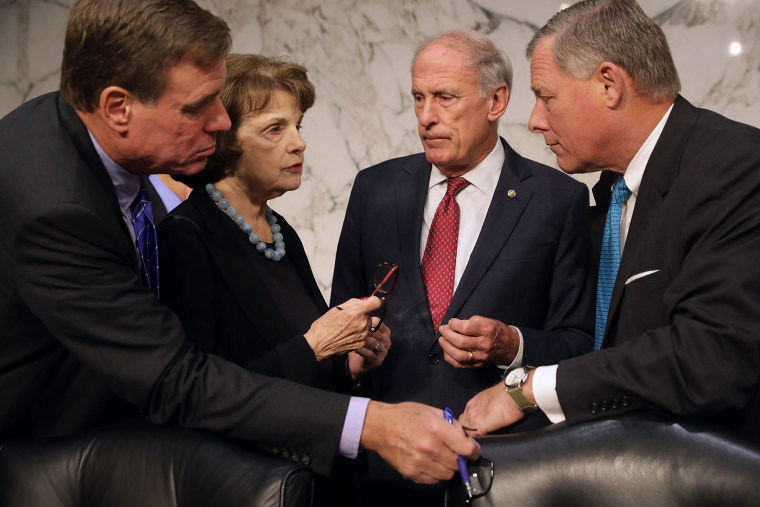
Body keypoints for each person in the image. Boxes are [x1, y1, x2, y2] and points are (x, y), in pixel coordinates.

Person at [0, 0, 479, 489]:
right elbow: (176, 381)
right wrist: (372, 424)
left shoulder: (82, 131)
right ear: (117, 107)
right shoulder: (58, 208)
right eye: (196, 106)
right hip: (43, 457)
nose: (222, 123)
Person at [461, 0, 760, 447]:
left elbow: (709, 359)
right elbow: (597, 348)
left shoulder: (736, 167)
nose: (535, 121)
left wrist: (528, 392)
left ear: (608, 85)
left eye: (546, 95)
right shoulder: (608, 197)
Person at [331, 29, 594, 505]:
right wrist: (352, 362)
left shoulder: (560, 201)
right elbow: (337, 325)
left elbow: (581, 341)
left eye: (444, 97)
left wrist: (512, 344)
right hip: (383, 471)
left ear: (496, 101)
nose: (426, 117)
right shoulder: (374, 189)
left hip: (504, 468)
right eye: (418, 98)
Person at [156, 54, 392, 504]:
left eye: (299, 125)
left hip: (312, 479)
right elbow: (197, 396)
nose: (300, 143)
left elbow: (302, 369)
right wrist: (318, 344)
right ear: (224, 139)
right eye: (275, 129)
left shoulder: (281, 231)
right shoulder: (186, 238)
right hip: (245, 487)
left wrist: (350, 362)